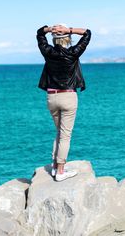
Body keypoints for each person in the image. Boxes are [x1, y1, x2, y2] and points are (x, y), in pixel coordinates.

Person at [36, 24, 91, 181]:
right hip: (68, 96)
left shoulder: (48, 52)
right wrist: (70, 30)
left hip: (51, 97)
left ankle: (54, 167)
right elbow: (87, 33)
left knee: (59, 132)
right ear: (67, 39)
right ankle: (60, 171)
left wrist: (48, 29)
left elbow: (39, 34)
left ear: (54, 39)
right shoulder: (73, 53)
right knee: (65, 135)